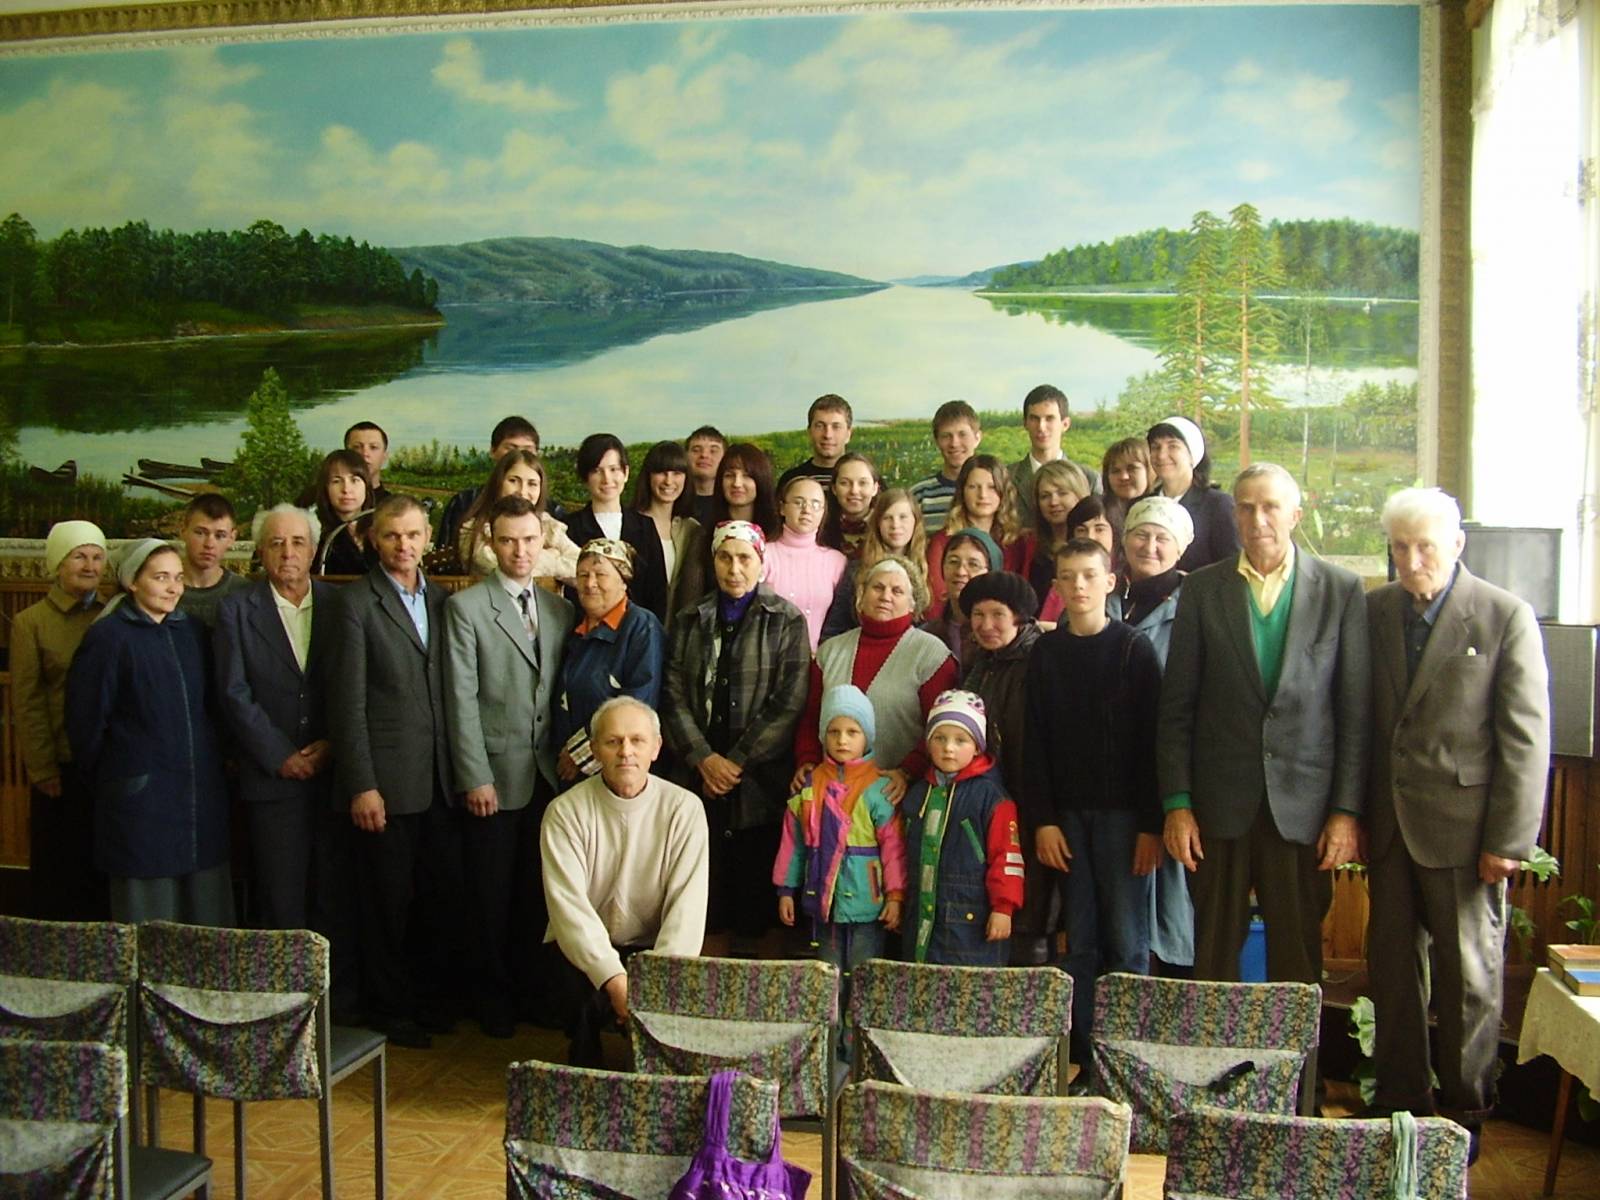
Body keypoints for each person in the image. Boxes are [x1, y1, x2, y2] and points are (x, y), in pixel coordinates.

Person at [1364, 487, 1550, 1157]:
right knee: (1392, 972)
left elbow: (1526, 739)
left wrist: (1508, 841)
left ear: (1456, 544)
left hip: (1468, 835)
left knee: (1468, 979)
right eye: (1400, 548)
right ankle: (1400, 1102)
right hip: (1389, 829)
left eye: (1426, 547)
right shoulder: (1375, 610)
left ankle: (1465, 1113)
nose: (1412, 561)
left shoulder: (1503, 615)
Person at [1158, 463, 1369, 985]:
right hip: (1218, 808)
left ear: (1295, 514)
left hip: (1303, 809)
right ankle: (1212, 1045)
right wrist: (1178, 805)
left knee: (1297, 963)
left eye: (1271, 507)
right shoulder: (1202, 589)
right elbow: (1177, 706)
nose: (1258, 519)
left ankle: (1297, 1048)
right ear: (1234, 515)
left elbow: (1353, 713)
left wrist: (1344, 812)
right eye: (1247, 507)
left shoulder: (1340, 590)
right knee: (1212, 959)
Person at [327, 495, 460, 1048]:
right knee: (386, 904)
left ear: (427, 538)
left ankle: (428, 1000)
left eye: (412, 535)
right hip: (385, 783)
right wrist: (363, 785)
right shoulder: (355, 604)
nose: (403, 545)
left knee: (435, 899)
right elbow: (347, 705)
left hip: (438, 780)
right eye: (391, 536)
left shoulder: (443, 599)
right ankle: (389, 1008)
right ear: (372, 541)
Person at [1025, 538, 1162, 1061]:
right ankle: (1083, 1055)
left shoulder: (1134, 650)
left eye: (1088, 575)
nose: (1078, 585)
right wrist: (1043, 821)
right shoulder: (1046, 653)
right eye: (1068, 577)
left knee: (1127, 940)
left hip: (1124, 818)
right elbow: (1035, 741)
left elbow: (1153, 744)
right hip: (1067, 818)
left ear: (1110, 582)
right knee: (1079, 937)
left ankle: (1129, 1057)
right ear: (1056, 587)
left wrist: (1151, 825)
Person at [445, 495, 577, 1038]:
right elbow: (460, 700)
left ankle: (531, 994)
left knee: (534, 895)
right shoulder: (466, 608)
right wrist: (475, 775)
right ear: (491, 543)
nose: (520, 551)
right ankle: (491, 998)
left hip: (547, 777)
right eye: (508, 540)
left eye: (528, 540)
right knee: (489, 896)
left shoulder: (559, 609)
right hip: (494, 778)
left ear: (542, 542)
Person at [66, 539, 233, 926]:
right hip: (140, 804)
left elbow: (212, 709)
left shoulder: (192, 632)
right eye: (161, 578)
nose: (174, 588)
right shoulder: (109, 637)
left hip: (199, 800)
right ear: (133, 582)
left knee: (206, 921)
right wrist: (119, 777)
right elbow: (86, 725)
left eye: (178, 578)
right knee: (149, 924)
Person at [663, 521, 810, 953]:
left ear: (761, 563)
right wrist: (704, 759)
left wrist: (735, 763)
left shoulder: (786, 620)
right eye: (725, 558)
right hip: (698, 780)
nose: (734, 568)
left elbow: (789, 701)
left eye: (744, 558)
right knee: (706, 899)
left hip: (759, 784)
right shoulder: (690, 619)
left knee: (756, 902)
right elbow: (671, 694)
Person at [541, 696, 710, 1067]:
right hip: (586, 948)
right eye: (613, 741)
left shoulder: (685, 810)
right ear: (594, 749)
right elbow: (570, 913)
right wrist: (615, 981)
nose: (626, 752)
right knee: (574, 991)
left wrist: (652, 986)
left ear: (656, 748)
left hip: (653, 949)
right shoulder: (564, 812)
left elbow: (687, 911)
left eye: (637, 741)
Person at [213, 505, 335, 932]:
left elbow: (355, 685)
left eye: (298, 542)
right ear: (261, 552)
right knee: (281, 902)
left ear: (313, 550)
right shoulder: (236, 610)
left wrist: (333, 743)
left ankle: (333, 978)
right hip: (272, 781)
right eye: (276, 543)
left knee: (333, 899)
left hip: (333, 778)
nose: (288, 553)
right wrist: (280, 754)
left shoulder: (339, 604)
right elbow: (233, 692)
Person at [772, 685, 905, 1052]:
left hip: (868, 904)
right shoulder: (809, 785)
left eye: (852, 731)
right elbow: (794, 842)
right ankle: (828, 1050)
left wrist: (895, 896)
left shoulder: (880, 790)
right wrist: (786, 889)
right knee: (827, 978)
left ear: (867, 736)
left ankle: (859, 1046)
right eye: (833, 731)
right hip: (824, 903)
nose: (842, 740)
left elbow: (894, 849)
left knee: (865, 976)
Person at [1109, 495, 1197, 978]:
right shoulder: (1107, 599)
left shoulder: (1195, 605)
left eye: (1163, 538)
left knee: (1168, 901)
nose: (1150, 545)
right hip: (1110, 777)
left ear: (1180, 548)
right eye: (1141, 534)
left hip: (1168, 773)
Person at [795, 557, 958, 807]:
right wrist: (807, 759)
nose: (885, 596)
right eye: (877, 587)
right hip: (830, 796)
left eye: (897, 591)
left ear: (912, 603)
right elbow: (811, 716)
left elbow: (938, 729)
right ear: (861, 595)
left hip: (896, 795)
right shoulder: (830, 652)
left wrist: (907, 771)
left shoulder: (932, 656)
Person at [13, 520, 108, 920]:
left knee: (103, 871)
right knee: (61, 872)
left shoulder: (114, 614)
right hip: (60, 768)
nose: (90, 566)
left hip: (108, 765)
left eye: (97, 557)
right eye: (79, 556)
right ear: (57, 563)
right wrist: (42, 768)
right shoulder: (31, 622)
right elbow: (28, 702)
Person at [958, 570, 1044, 963]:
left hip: (1028, 799)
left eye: (997, 614)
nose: (986, 625)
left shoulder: (1039, 658)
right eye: (978, 615)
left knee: (1030, 903)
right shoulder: (980, 663)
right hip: (988, 798)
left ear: (1018, 617)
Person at [902, 690, 1023, 966]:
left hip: (971, 923)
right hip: (921, 922)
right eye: (939, 738)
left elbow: (1007, 857)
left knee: (971, 987)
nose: (949, 748)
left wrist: (1004, 907)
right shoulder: (918, 794)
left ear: (978, 746)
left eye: (961, 740)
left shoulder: (992, 798)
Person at [553, 539, 666, 786]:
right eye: (583, 575)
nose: (590, 583)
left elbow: (639, 702)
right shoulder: (575, 627)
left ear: (623, 581)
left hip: (618, 767)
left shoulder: (641, 626)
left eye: (600, 574)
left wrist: (579, 755)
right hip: (568, 770)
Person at [563, 433, 670, 622]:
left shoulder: (645, 526)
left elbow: (658, 593)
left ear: (625, 473)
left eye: (614, 469)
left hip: (639, 631)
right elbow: (570, 594)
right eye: (597, 471)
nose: (607, 479)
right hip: (586, 632)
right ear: (585, 477)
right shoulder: (569, 528)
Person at [925, 454, 1028, 617]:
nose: (983, 495)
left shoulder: (1015, 542)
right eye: (973, 487)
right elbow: (936, 602)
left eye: (992, 487)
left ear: (1003, 491)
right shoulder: (943, 541)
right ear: (962, 491)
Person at [455, 448, 580, 582]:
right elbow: (506, 569)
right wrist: (552, 555)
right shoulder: (474, 530)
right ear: (498, 482)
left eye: (532, 484)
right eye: (513, 481)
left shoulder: (549, 525)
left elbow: (580, 565)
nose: (522, 491)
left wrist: (543, 561)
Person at [822, 487, 928, 641]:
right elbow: (834, 629)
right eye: (887, 518)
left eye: (903, 517)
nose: (895, 525)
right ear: (877, 523)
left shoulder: (928, 568)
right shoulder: (857, 570)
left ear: (915, 521)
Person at [764, 475, 848, 652]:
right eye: (798, 502)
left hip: (820, 657)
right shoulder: (763, 555)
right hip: (769, 657)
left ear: (823, 512)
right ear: (782, 508)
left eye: (815, 504)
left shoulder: (836, 561)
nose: (807, 510)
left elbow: (841, 620)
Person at [436, 416, 541, 551]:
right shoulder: (464, 503)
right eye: (511, 449)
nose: (518, 456)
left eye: (527, 450)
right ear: (492, 451)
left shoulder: (553, 512)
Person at [1148, 416, 1238, 572]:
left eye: (1173, 446)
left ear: (1192, 455)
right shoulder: (1143, 506)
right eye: (1155, 447)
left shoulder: (1218, 506)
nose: (1161, 455)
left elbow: (1232, 567)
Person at [633, 440, 707, 625]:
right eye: (661, 472)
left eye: (677, 473)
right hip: (638, 630)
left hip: (679, 631)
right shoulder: (630, 524)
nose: (668, 481)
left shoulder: (692, 530)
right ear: (648, 476)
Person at [1009, 384, 1100, 527]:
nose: (1041, 427)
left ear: (1065, 424)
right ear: (1025, 423)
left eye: (1049, 418)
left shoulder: (1089, 478)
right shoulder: (1007, 477)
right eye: (1034, 418)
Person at [920, 528, 1001, 669]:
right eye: (953, 562)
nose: (960, 572)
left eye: (973, 564)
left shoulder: (1001, 633)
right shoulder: (928, 634)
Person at [1027, 460, 1093, 616]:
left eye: (1062, 493)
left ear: (1080, 495)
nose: (1053, 502)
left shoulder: (1093, 544)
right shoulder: (1028, 546)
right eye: (1045, 496)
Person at [175, 493, 249, 629]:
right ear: (183, 531)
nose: (209, 544)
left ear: (232, 538)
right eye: (200, 533)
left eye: (220, 536)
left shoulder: (244, 593)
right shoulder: (164, 590)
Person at [909, 400, 983, 533]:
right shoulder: (918, 495)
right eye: (946, 436)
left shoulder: (993, 492)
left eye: (962, 434)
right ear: (937, 441)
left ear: (977, 438)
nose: (954, 443)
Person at [310, 449, 376, 576]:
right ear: (326, 488)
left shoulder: (381, 528)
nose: (346, 489)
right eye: (336, 481)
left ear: (366, 486)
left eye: (354, 480)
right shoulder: (315, 532)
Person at [777, 393, 854, 491]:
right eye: (820, 426)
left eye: (836, 427)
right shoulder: (791, 480)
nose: (828, 435)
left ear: (848, 434)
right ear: (809, 432)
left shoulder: (864, 480)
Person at [707, 441, 781, 540]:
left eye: (747, 476)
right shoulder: (707, 533)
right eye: (729, 475)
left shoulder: (777, 533)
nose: (737, 483)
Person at [825, 452, 882, 558]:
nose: (854, 491)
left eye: (863, 483)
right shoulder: (820, 529)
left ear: (875, 488)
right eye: (845, 483)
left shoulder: (886, 527)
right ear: (834, 488)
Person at [1101, 436, 1154, 535]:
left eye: (1132, 468)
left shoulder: (1167, 510)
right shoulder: (1098, 512)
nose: (1123, 477)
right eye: (1115, 471)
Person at [685, 425, 727, 529]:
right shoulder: (673, 501)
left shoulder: (732, 502)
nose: (704, 455)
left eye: (713, 451)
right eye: (696, 450)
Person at [344, 421, 392, 506]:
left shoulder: (393, 506)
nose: (365, 453)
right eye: (357, 447)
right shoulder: (326, 502)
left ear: (384, 456)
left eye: (373, 447)